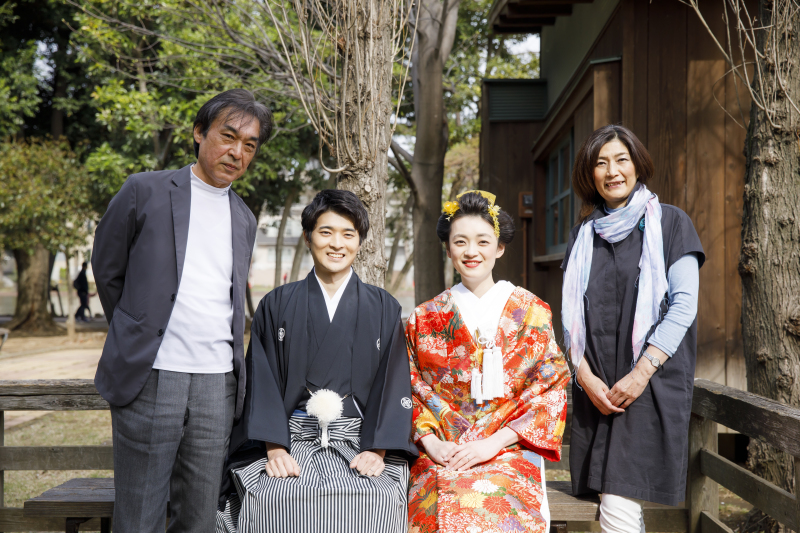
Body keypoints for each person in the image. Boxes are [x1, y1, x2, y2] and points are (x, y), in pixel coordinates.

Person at [91, 89, 269, 533]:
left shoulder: (244, 217)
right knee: (140, 514)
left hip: (218, 385)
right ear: (198, 132)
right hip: (153, 376)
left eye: (249, 145)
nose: (237, 152)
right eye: (228, 136)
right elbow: (107, 270)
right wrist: (139, 332)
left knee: (199, 515)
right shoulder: (144, 190)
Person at [217, 190, 418, 533]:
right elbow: (261, 382)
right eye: (326, 232)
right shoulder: (276, 304)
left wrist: (378, 451)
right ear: (309, 237)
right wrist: (275, 448)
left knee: (379, 498)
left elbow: (392, 382)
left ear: (360, 242)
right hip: (289, 438)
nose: (336, 244)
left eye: (348, 234)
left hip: (360, 440)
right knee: (272, 497)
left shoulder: (384, 307)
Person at [562, 125, 705, 533]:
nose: (612, 171)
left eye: (621, 159)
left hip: (650, 381)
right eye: (600, 163)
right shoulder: (583, 236)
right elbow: (570, 317)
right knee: (614, 499)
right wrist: (584, 375)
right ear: (589, 175)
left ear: (638, 164)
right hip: (596, 388)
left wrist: (641, 372)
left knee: (617, 501)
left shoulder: (671, 224)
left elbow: (684, 306)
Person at [406, 191, 570, 533]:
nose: (471, 251)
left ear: (499, 247)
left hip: (508, 447)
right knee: (430, 509)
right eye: (460, 242)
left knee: (496, 507)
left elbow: (550, 389)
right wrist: (432, 443)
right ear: (448, 249)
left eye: (483, 241)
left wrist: (492, 443)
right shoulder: (425, 316)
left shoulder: (531, 312)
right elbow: (409, 386)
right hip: (444, 448)